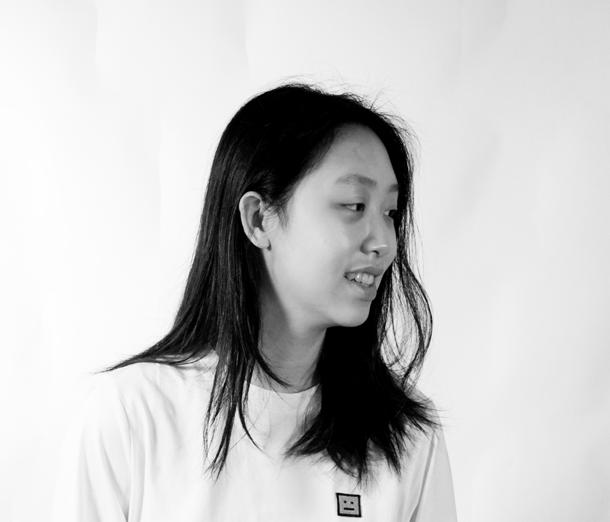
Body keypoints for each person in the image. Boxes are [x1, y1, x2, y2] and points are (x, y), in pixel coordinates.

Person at [52, 82, 458, 521]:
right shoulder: (132, 414)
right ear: (259, 219)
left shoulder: (408, 437)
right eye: (354, 204)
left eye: (390, 212)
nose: (384, 242)